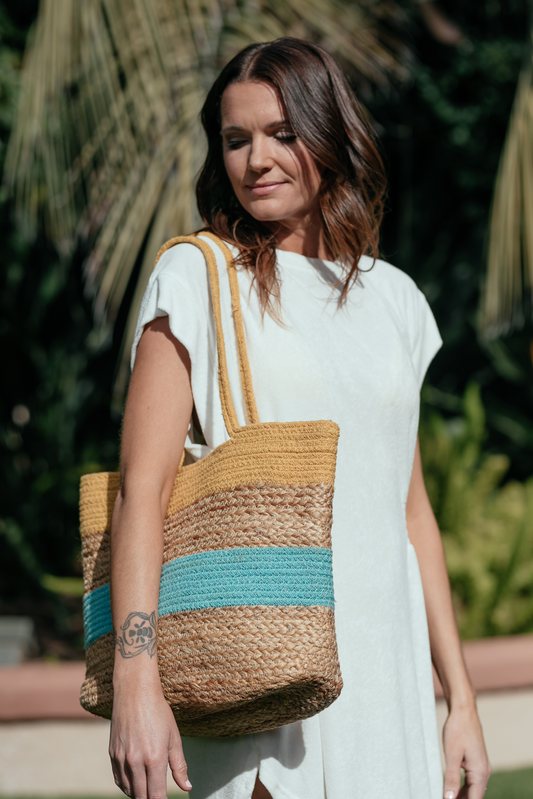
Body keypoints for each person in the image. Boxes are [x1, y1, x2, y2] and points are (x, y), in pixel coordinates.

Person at [108, 37, 490, 799]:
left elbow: (409, 512)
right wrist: (135, 681)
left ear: (329, 134)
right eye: (236, 139)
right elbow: (141, 491)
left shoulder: (393, 299)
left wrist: (460, 700)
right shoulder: (197, 276)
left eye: (283, 133)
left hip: (386, 682)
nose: (257, 160)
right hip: (266, 675)